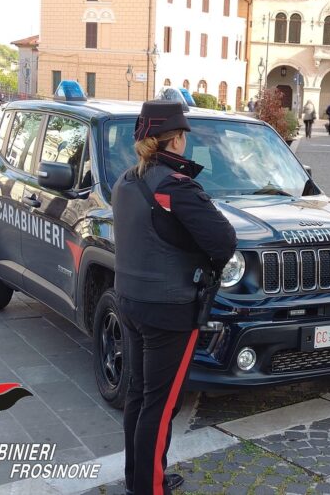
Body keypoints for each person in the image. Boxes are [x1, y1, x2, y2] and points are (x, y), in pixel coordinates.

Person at [112, 101, 237, 495]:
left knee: (139, 395)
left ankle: (139, 478)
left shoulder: (126, 181)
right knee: (161, 405)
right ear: (177, 139)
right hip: (169, 311)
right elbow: (224, 241)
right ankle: (149, 488)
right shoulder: (175, 187)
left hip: (130, 301)